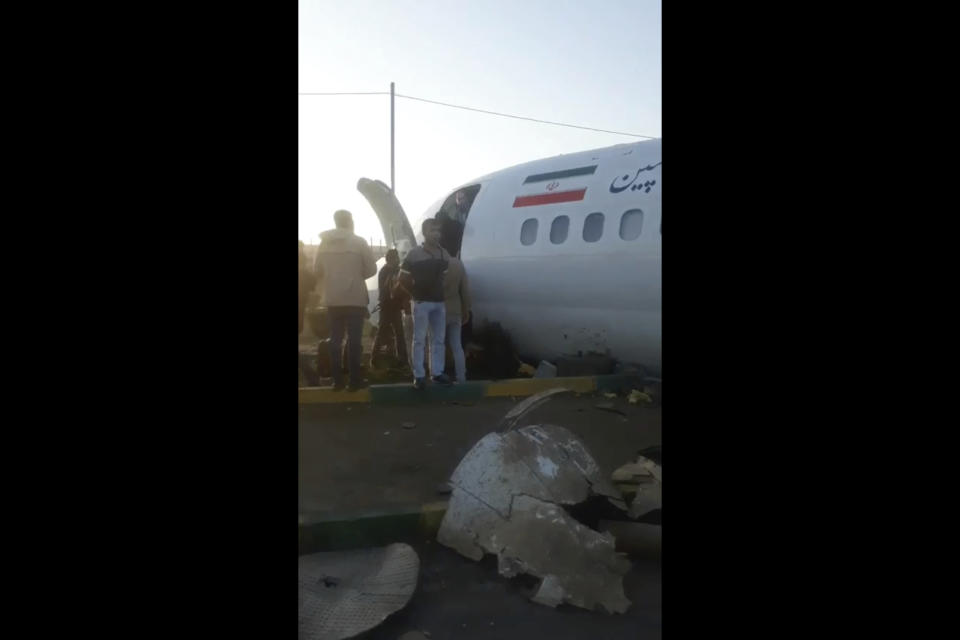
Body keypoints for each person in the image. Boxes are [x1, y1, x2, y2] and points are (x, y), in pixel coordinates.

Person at [314, 210, 377, 391]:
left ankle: (337, 381)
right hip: (355, 299)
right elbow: (371, 269)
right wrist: (356, 276)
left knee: (335, 340)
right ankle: (354, 380)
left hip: (333, 299)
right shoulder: (359, 242)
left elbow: (317, 269)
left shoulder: (323, 243)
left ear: (336, 222)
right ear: (350, 222)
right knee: (355, 341)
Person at [399, 219, 452, 389]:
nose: (436, 234)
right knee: (419, 339)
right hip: (421, 303)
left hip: (439, 303)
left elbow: (446, 277)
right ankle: (419, 375)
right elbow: (402, 278)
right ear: (425, 233)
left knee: (438, 339)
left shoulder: (444, 254)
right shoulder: (414, 254)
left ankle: (437, 372)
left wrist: (441, 292)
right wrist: (415, 294)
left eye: (438, 230)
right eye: (432, 230)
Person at [371, 249, 408, 366]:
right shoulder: (385, 271)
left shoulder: (391, 270)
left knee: (399, 332)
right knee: (384, 331)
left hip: (393, 306)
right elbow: (386, 289)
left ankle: (401, 358)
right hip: (387, 306)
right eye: (396, 257)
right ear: (391, 259)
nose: (398, 259)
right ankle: (375, 358)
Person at [442, 255, 472, 384]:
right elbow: (465, 290)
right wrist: (466, 309)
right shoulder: (458, 264)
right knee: (457, 346)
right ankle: (461, 377)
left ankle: (438, 376)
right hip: (455, 310)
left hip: (438, 311)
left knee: (437, 345)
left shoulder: (436, 262)